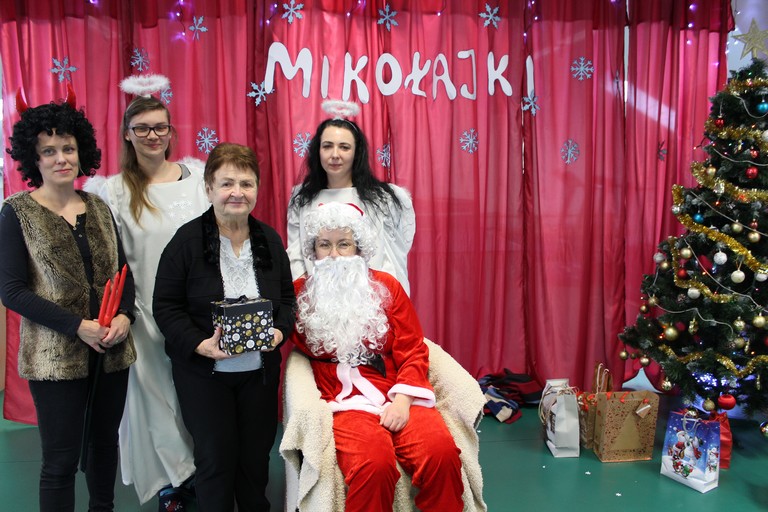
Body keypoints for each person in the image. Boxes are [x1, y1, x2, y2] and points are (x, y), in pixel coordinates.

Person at [0, 92, 136, 512]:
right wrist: (78, 326)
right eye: (49, 151)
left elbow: (123, 273)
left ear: (81, 152)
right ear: (34, 158)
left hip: (111, 352)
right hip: (55, 357)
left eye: (68, 148)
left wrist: (125, 317)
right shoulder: (16, 212)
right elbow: (12, 290)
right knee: (59, 461)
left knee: (104, 447)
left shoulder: (98, 206)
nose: (61, 158)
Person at [289, 202, 463, 512]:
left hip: (395, 388)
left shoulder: (387, 286)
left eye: (344, 244)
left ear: (359, 248)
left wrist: (403, 401)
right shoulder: (299, 294)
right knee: (374, 465)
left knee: (440, 452)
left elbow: (413, 347)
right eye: (324, 245)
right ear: (313, 250)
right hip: (342, 399)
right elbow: (276, 330)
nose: (334, 255)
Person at [153, 142, 296, 512]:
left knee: (255, 460)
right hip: (204, 375)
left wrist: (280, 331)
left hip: (258, 375)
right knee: (215, 460)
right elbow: (165, 307)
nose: (237, 192)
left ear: (256, 189)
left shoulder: (269, 240)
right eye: (227, 183)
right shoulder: (185, 242)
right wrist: (199, 345)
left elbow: (287, 299)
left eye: (246, 184)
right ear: (208, 188)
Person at [88, 95, 208, 510]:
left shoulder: (199, 178)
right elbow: (112, 259)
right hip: (143, 314)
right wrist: (122, 311)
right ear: (128, 134)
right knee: (156, 401)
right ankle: (173, 484)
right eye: (142, 128)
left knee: (195, 397)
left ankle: (203, 474)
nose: (152, 135)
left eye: (160, 127)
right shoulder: (115, 191)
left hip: (196, 310)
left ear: (171, 131)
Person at [286, 111, 416, 294]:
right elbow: (297, 257)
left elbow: (392, 259)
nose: (335, 155)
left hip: (369, 300)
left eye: (344, 147)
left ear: (356, 153)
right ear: (318, 151)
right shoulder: (302, 199)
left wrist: (385, 299)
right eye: (327, 146)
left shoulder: (382, 199)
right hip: (319, 299)